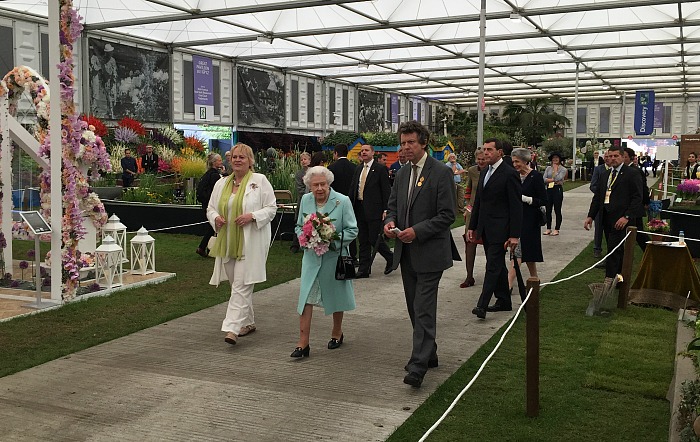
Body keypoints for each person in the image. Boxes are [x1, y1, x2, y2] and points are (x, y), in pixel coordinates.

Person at [384, 120, 457, 388]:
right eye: (402, 143)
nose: (405, 148)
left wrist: (417, 231)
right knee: (415, 308)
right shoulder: (402, 174)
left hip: (430, 252)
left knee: (424, 309)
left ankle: (418, 366)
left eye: (410, 143)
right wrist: (389, 223)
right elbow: (392, 207)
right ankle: (430, 352)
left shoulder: (441, 173)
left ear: (423, 142)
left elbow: (448, 215)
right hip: (406, 253)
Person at [207, 143, 277, 346]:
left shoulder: (259, 181)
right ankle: (248, 322)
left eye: (242, 157)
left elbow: (271, 208)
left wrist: (252, 216)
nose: (237, 160)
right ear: (229, 160)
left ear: (250, 161)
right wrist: (216, 218)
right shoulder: (221, 184)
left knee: (241, 285)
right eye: (235, 157)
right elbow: (211, 208)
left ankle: (232, 328)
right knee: (236, 285)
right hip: (227, 242)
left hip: (250, 242)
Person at [292, 166, 358, 358]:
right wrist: (304, 237)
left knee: (336, 297)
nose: (319, 188)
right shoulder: (306, 200)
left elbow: (352, 230)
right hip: (311, 259)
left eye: (323, 184)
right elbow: (298, 225)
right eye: (315, 185)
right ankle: (303, 343)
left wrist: (330, 239)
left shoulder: (342, 201)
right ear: (309, 186)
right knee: (306, 299)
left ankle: (337, 332)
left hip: (333, 258)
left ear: (329, 184)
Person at [468, 138, 522, 319]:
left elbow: (516, 206)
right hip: (485, 228)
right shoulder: (485, 172)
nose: (486, 153)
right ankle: (504, 300)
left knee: (492, 266)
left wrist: (514, 234)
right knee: (497, 265)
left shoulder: (509, 173)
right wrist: (473, 226)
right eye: (484, 150)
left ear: (500, 152)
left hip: (501, 229)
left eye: (490, 150)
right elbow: (479, 203)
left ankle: (481, 305)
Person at [584, 146, 644, 280]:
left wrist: (627, 216)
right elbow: (598, 197)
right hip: (607, 217)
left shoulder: (631, 173)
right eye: (610, 156)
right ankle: (619, 277)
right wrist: (590, 216)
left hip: (622, 219)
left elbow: (637, 197)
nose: (612, 159)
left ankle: (609, 278)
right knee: (615, 249)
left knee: (614, 249)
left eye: (616, 156)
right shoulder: (605, 174)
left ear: (623, 157)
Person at [349, 144, 393, 278]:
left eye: (366, 150)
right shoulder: (358, 169)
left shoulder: (380, 169)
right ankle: (364, 269)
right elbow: (353, 189)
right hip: (360, 208)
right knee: (363, 239)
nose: (364, 152)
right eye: (362, 151)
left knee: (374, 238)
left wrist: (386, 209)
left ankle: (390, 257)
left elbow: (386, 190)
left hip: (375, 209)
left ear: (373, 153)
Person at [508, 148, 546, 291]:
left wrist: (526, 199)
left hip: (530, 220)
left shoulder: (535, 176)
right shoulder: (513, 176)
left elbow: (543, 200)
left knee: (527, 252)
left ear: (525, 161)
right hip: (516, 219)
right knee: (518, 252)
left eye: (517, 161)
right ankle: (532, 279)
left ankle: (511, 284)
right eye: (513, 162)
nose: (515, 164)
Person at [327, 143, 358, 263]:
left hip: (335, 203)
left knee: (337, 227)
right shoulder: (355, 168)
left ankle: (336, 248)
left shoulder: (331, 168)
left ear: (335, 153)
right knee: (350, 227)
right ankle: (353, 255)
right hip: (351, 201)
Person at [461, 148, 486, 288]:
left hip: (487, 212)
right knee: (469, 243)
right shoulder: (472, 171)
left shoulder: (492, 170)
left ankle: (491, 276)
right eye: (479, 159)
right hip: (472, 212)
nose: (481, 162)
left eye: (483, 159)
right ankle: (469, 276)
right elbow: (468, 191)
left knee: (489, 244)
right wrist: (467, 208)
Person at [196, 153, 223, 257]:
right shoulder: (215, 175)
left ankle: (204, 248)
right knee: (213, 226)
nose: (221, 162)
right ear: (214, 163)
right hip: (210, 204)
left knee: (212, 227)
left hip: (205, 203)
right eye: (220, 160)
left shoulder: (207, 174)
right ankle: (204, 247)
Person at [623, 147, 650, 251]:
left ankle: (650, 251)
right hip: (629, 206)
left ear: (630, 158)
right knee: (636, 233)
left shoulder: (635, 171)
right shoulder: (625, 170)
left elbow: (642, 189)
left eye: (624, 157)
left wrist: (646, 202)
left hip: (635, 207)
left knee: (638, 233)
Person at [589, 151, 611, 259]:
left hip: (612, 204)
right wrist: (602, 193)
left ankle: (611, 250)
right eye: (606, 157)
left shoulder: (616, 170)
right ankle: (597, 249)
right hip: (601, 203)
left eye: (609, 157)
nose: (608, 159)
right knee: (598, 227)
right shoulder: (599, 169)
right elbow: (593, 185)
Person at [289, 152, 311, 254]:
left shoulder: (314, 172)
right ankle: (295, 244)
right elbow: (299, 189)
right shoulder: (299, 174)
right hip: (302, 201)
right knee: (299, 221)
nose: (303, 161)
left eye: (305, 159)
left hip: (313, 201)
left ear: (309, 160)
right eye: (301, 160)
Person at [543, 152, 567, 236]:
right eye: (553, 158)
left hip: (557, 189)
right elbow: (544, 179)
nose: (555, 159)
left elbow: (559, 178)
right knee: (548, 209)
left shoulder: (563, 169)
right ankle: (548, 228)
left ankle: (557, 228)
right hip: (549, 189)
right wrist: (552, 180)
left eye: (557, 158)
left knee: (557, 209)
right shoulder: (548, 168)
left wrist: (556, 171)